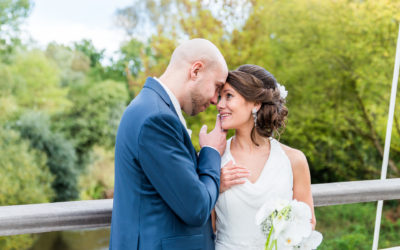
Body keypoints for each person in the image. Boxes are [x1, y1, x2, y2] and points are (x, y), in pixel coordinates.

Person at [110, 38, 228, 250]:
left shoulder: (153, 108)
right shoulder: (156, 119)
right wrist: (211, 153)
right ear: (196, 70)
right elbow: (196, 208)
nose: (215, 100)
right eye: (217, 87)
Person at [213, 64, 316, 250]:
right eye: (220, 96)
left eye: (228, 96)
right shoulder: (212, 158)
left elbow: (307, 222)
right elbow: (204, 226)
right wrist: (212, 186)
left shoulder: (294, 160)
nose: (220, 104)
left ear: (256, 103)